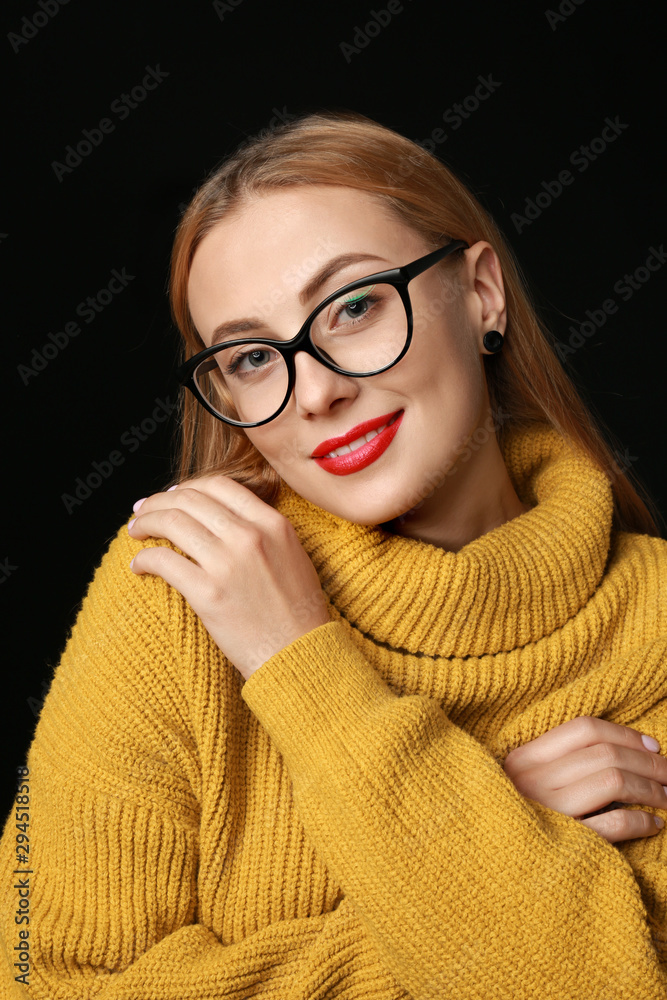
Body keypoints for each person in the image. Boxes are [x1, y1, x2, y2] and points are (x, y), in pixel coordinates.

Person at [2, 108, 667, 999]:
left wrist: (302, 670)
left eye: (352, 307)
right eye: (249, 357)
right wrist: (501, 834)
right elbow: (36, 983)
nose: (313, 390)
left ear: (480, 295)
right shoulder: (175, 586)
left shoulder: (657, 621)